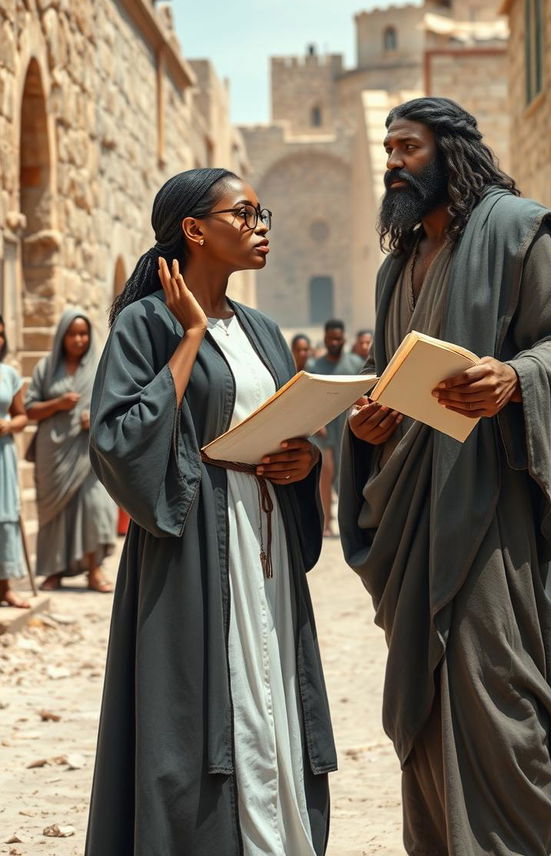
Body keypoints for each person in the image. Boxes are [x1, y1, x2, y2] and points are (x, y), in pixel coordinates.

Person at [338, 97, 551, 856]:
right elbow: (382, 376)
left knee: (494, 684)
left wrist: (515, 378)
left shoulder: (517, 230)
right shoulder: (398, 269)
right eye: (388, 148)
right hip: (412, 512)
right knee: (424, 702)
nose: (392, 161)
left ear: (451, 150)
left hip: (489, 505)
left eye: (409, 147)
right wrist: (362, 428)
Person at [85, 168, 335, 856]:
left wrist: (305, 460)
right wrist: (191, 336)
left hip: (268, 539)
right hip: (192, 540)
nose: (262, 227)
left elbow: (289, 420)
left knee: (273, 687)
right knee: (201, 705)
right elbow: (117, 437)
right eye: (245, 213)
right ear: (194, 229)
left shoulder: (260, 327)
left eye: (264, 214)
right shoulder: (146, 323)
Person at [25, 310, 116, 593]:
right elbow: (29, 409)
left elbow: (117, 401)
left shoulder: (101, 366)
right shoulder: (46, 368)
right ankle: (53, 571)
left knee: (95, 508)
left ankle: (94, 570)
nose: (79, 339)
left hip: (90, 452)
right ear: (62, 336)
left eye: (83, 333)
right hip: (53, 452)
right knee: (54, 513)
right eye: (73, 334)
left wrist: (96, 415)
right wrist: (58, 404)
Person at [307, 320, 362, 535]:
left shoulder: (355, 363)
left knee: (348, 474)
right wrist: (317, 422)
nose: (335, 342)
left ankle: (353, 523)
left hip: (348, 426)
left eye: (338, 338)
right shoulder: (314, 366)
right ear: (325, 338)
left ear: (344, 338)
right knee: (326, 474)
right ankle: (326, 522)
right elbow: (309, 397)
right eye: (331, 338)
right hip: (324, 427)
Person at [0, 316, 29, 609]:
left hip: (2, 454)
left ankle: (5, 587)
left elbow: (22, 415)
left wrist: (9, 426)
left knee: (4, 515)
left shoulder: (9, 374)